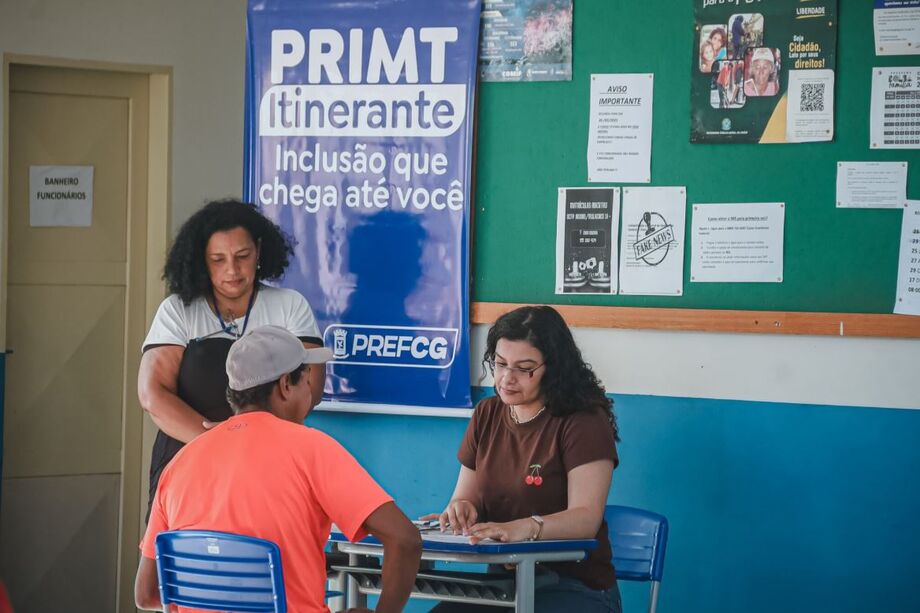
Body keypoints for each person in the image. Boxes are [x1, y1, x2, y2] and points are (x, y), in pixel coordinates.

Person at [134, 325, 422, 613]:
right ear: (286, 385)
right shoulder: (312, 448)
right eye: (307, 381)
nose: (310, 391)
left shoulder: (180, 462)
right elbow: (405, 539)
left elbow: (146, 595)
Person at [423, 306, 621, 613]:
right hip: (504, 586)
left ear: (553, 369)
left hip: (574, 586)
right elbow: (465, 498)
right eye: (500, 364)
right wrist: (460, 510)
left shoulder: (583, 421)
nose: (507, 378)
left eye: (524, 368)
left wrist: (525, 528)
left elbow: (586, 519)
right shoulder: (487, 413)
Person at [137, 199, 326, 519]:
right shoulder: (177, 310)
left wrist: (248, 445)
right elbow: (152, 394)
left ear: (259, 251)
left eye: (242, 256)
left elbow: (311, 388)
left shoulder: (290, 305)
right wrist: (220, 443)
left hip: (267, 462)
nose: (232, 270)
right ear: (201, 259)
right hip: (189, 461)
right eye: (218, 259)